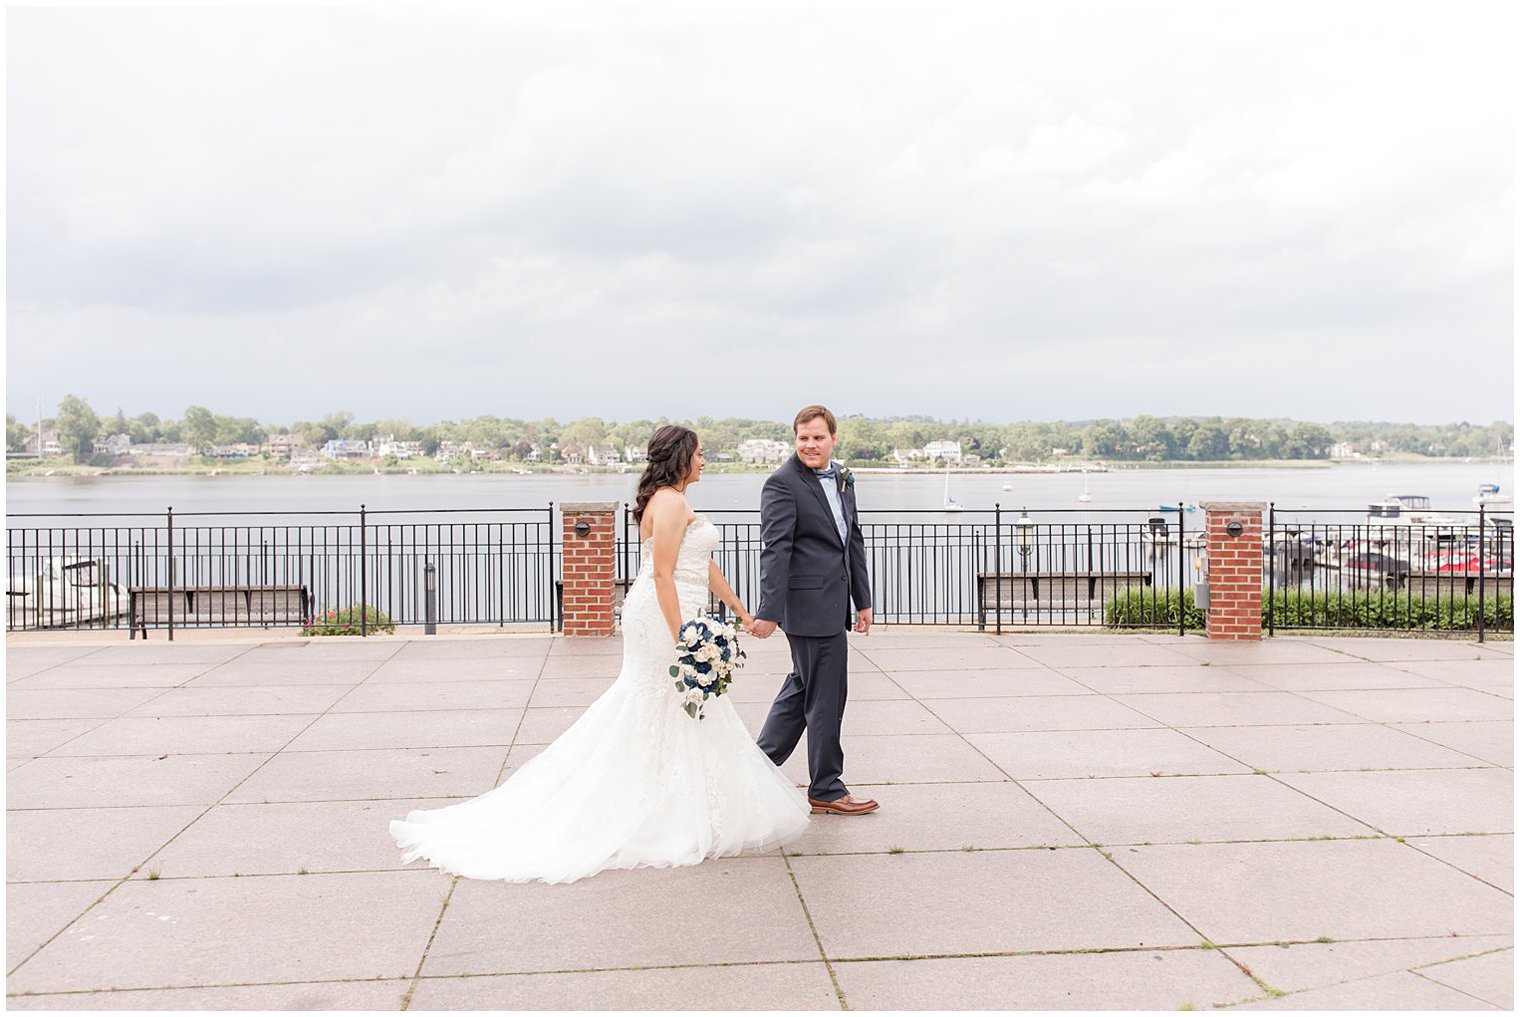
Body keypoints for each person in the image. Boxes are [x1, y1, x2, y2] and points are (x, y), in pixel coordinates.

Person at [390, 425, 808, 883]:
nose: (705, 461)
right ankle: (654, 813)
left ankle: (680, 807)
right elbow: (663, 576)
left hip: (680, 611)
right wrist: (685, 637)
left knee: (684, 708)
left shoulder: (674, 501)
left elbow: (701, 565)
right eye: (701, 454)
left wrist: (740, 611)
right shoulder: (668, 502)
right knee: (659, 704)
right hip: (663, 616)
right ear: (682, 456)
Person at [750, 405, 878, 816]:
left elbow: (851, 541)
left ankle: (755, 768)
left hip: (834, 603)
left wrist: (864, 600)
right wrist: (768, 611)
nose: (810, 444)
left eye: (817, 437)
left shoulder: (841, 477)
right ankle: (825, 786)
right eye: (803, 438)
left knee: (803, 689)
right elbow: (776, 551)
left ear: (832, 438)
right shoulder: (781, 484)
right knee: (826, 697)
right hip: (806, 607)